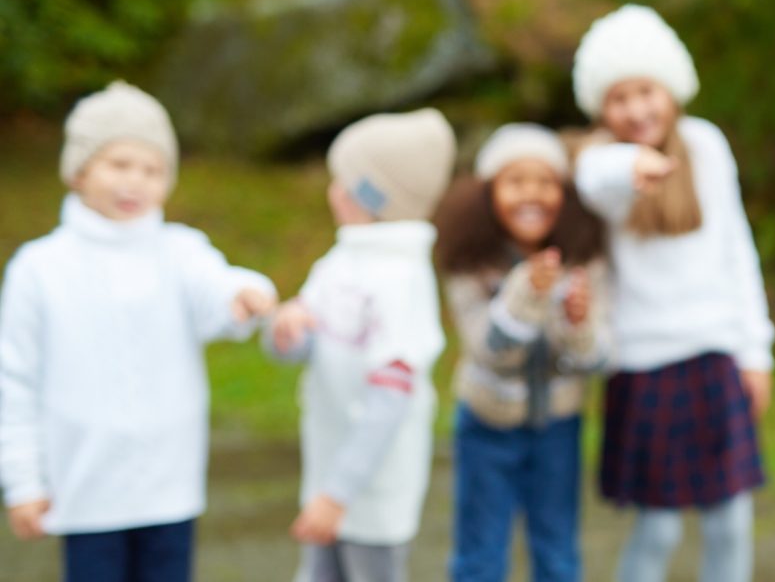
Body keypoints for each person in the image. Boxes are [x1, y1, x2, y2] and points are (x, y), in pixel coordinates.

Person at [0, 81, 277, 582]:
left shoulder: (180, 251)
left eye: (152, 170)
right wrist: (22, 482)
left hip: (168, 488)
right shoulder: (39, 268)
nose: (136, 182)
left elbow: (216, 288)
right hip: (84, 488)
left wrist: (244, 293)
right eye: (119, 164)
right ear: (79, 171)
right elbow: (12, 380)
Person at [571, 5, 775, 582]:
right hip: (643, 367)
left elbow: (738, 252)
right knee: (657, 528)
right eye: (619, 98)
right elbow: (592, 178)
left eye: (646, 91)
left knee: (730, 521)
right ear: (601, 107)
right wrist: (630, 163)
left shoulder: (706, 146)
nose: (636, 109)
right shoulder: (603, 164)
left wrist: (755, 353)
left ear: (672, 88)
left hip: (714, 357)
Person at [266, 109, 455, 582]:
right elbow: (304, 342)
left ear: (369, 194)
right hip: (329, 469)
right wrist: (287, 332)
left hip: (372, 487)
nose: (333, 189)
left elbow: (391, 399)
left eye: (342, 179)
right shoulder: (341, 260)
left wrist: (340, 493)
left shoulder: (401, 280)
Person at [435, 123, 611, 581]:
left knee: (557, 555)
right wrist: (524, 297)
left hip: (559, 426)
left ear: (565, 194)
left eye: (546, 182)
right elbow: (488, 351)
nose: (531, 195)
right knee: (479, 555)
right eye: (516, 182)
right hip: (485, 425)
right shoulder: (469, 261)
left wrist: (578, 324)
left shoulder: (584, 258)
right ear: (488, 193)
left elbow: (596, 361)